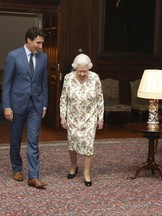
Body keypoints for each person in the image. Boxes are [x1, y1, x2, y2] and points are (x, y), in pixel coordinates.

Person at [2, 27, 48, 189]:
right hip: (16, 105)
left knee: (33, 141)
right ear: (28, 40)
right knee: (15, 140)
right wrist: (7, 106)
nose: (41, 46)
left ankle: (33, 176)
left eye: (42, 43)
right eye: (38, 43)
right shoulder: (13, 56)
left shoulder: (43, 58)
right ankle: (16, 168)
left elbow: (43, 83)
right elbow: (6, 84)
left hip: (35, 105)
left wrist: (44, 104)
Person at [60, 53, 104, 187]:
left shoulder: (95, 78)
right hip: (73, 117)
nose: (83, 74)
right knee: (72, 142)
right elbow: (64, 98)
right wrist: (63, 116)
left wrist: (100, 118)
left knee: (88, 144)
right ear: (75, 68)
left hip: (90, 116)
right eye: (80, 71)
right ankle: (74, 166)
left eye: (85, 71)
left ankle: (87, 173)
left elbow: (100, 98)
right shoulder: (68, 78)